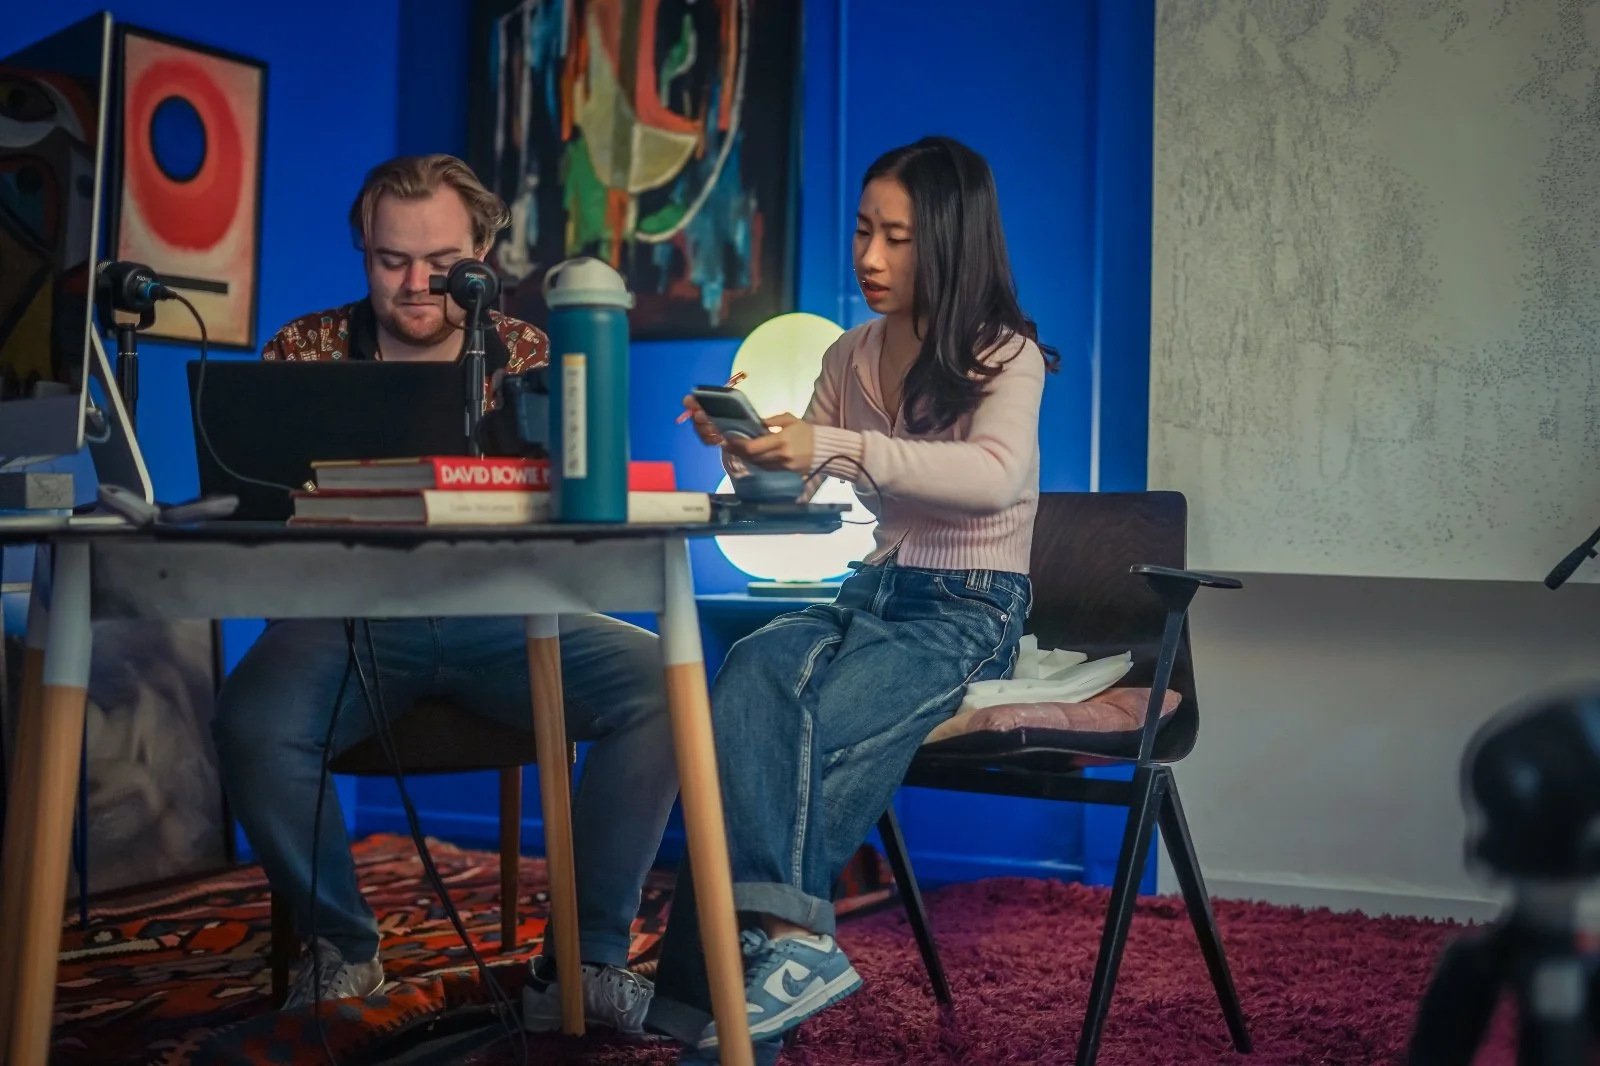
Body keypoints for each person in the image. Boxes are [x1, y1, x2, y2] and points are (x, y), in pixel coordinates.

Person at [211, 154, 674, 1036]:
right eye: (391, 261)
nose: (418, 283)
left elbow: (574, 508)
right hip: (344, 622)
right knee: (250, 718)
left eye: (441, 263)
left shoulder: (528, 350)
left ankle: (585, 962)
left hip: (507, 611)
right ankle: (342, 946)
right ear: (364, 252)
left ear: (484, 252)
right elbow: (263, 518)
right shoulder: (301, 353)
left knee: (660, 678)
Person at [650, 135, 1057, 1063]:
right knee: (753, 668)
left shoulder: (1007, 354)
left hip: (971, 611)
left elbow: (993, 477)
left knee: (802, 735)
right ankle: (792, 948)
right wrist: (743, 446)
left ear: (950, 241)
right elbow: (790, 499)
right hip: (871, 596)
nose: (869, 257)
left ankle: (707, 995)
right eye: (864, 231)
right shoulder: (852, 351)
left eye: (897, 237)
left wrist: (834, 446)